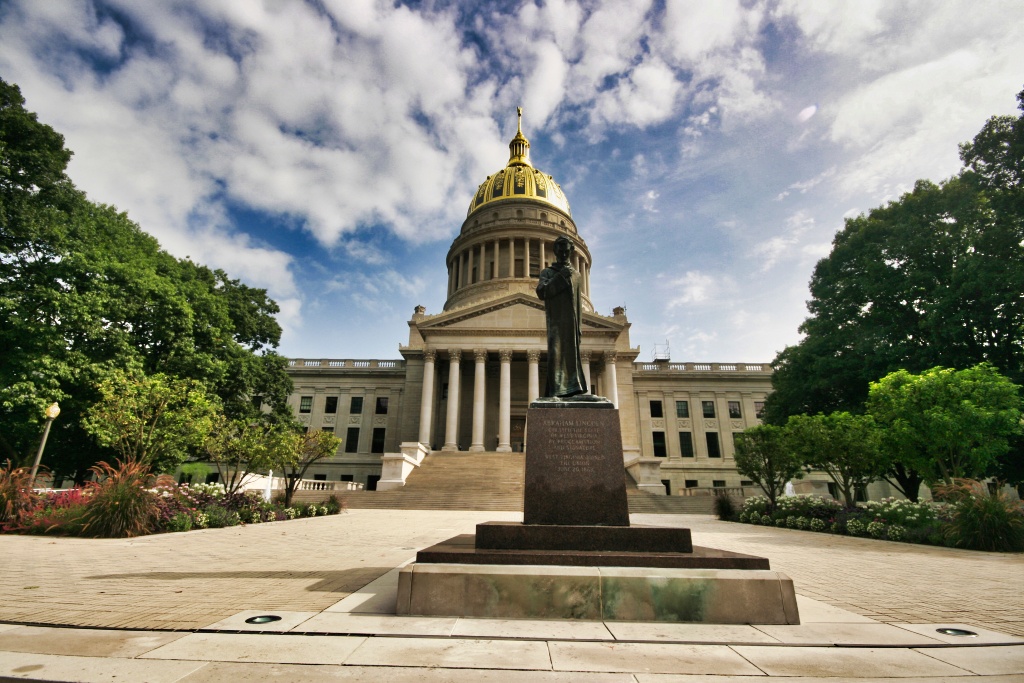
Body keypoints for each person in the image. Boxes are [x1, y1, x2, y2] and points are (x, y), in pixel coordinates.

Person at [536, 236, 588, 398]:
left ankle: (575, 388)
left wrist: (578, 327)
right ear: (555, 251)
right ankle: (556, 390)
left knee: (572, 357)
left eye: (567, 250)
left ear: (571, 252)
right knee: (556, 354)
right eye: (561, 250)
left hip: (571, 323)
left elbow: (578, 304)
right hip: (556, 320)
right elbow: (542, 292)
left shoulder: (577, 275)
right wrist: (560, 277)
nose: (564, 253)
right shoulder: (548, 272)